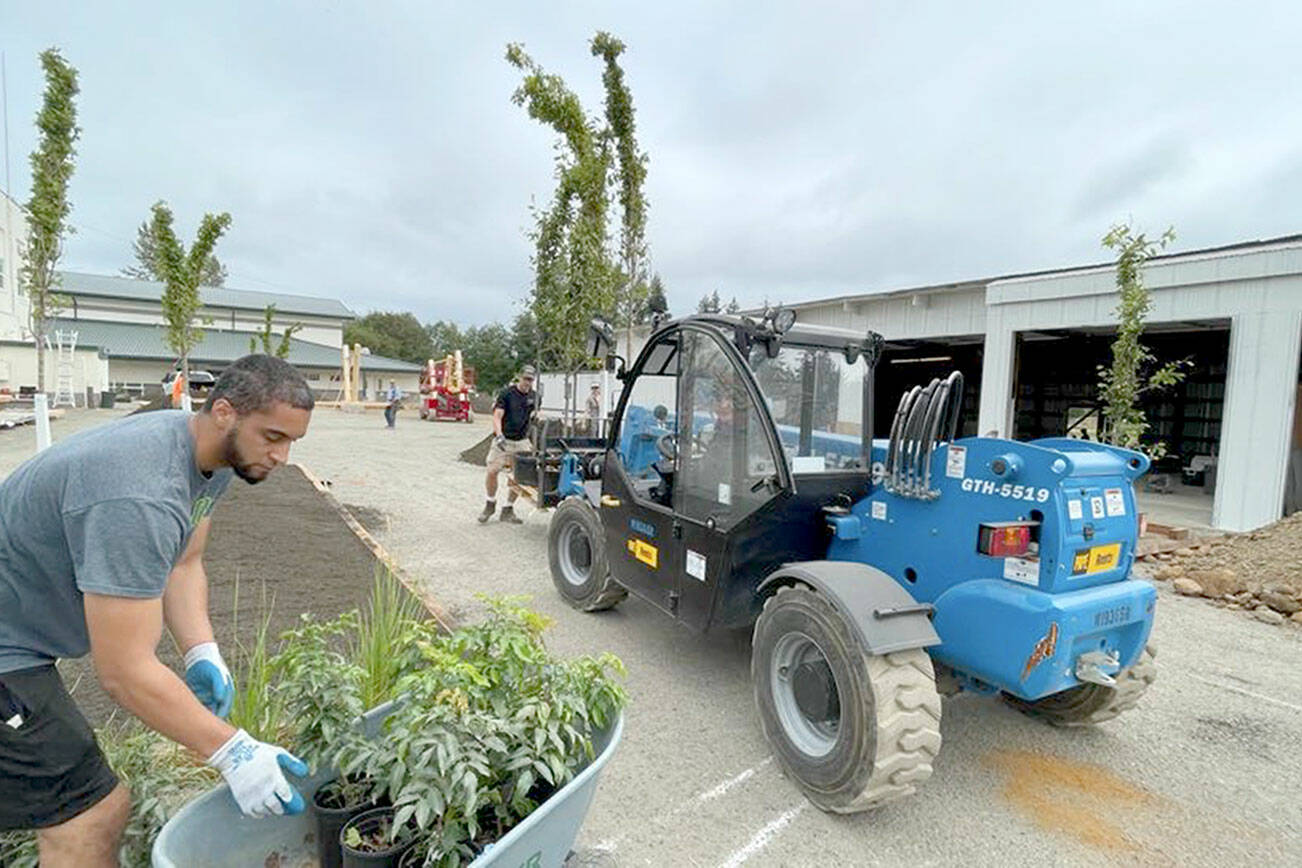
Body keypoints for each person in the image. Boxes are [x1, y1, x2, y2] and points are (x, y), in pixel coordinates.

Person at [0, 354, 315, 865]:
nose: (280, 456)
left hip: (19, 636)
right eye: (273, 437)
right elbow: (124, 673)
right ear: (224, 413)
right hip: (7, 652)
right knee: (88, 812)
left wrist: (201, 651)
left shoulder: (210, 457)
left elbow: (183, 561)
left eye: (292, 442)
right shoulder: (139, 493)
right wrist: (234, 752)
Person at [479, 365, 537, 524]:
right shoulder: (507, 394)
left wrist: (532, 439)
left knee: (519, 477)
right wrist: (499, 436)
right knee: (492, 470)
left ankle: (508, 509)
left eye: (531, 380)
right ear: (520, 377)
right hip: (504, 439)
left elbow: (533, 417)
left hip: (521, 441)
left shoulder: (534, 396)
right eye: (525, 379)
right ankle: (490, 503)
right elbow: (497, 416)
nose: (527, 383)